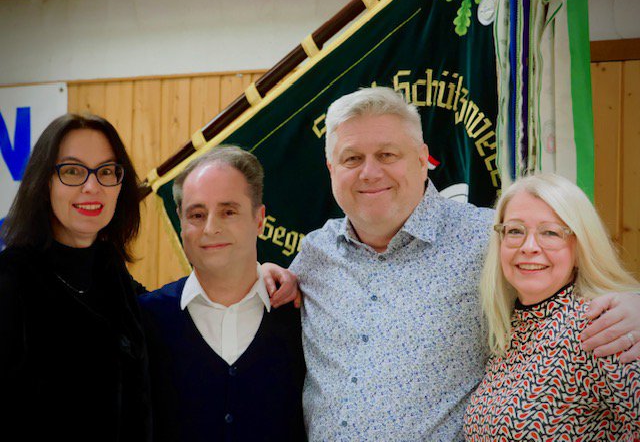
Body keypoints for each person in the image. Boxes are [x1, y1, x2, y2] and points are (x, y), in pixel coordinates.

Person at [263, 86, 640, 440]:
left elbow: (570, 277)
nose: (370, 172)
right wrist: (260, 276)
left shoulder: (491, 238)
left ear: (423, 158)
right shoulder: (316, 252)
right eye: (352, 158)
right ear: (331, 168)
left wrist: (635, 303)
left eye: (387, 155)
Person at [138, 146, 305, 442]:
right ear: (181, 223)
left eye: (228, 212)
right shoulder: (145, 320)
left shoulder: (303, 315)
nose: (211, 228)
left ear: (259, 219)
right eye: (197, 214)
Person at [0, 114, 151, 441]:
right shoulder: (11, 280)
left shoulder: (110, 267)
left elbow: (166, 308)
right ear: (44, 183)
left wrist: (253, 275)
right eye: (72, 171)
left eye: (106, 171)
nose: (92, 186)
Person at [464, 174, 640, 440]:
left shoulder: (602, 326)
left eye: (550, 232)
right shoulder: (511, 329)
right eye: (515, 231)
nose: (529, 247)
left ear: (580, 247)